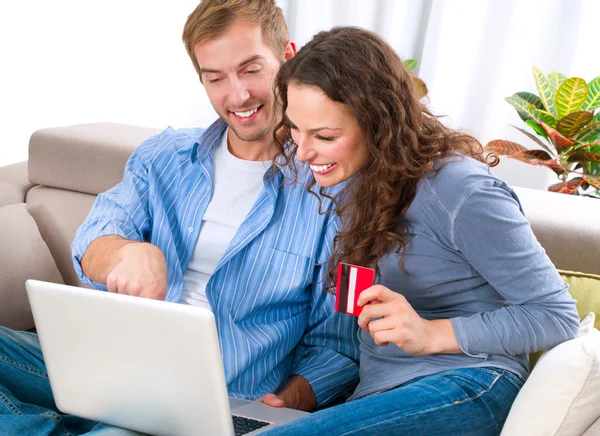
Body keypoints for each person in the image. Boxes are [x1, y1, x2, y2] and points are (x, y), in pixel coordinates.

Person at [0, 2, 360, 435]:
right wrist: (125, 252)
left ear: (288, 57)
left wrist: (288, 403)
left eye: (250, 70)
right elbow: (93, 240)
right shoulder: (163, 157)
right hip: (111, 367)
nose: (238, 95)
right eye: (216, 78)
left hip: (214, 401)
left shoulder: (335, 193)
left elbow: (340, 345)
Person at [263, 26, 580, 435]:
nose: (303, 152)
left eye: (324, 136)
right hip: (381, 393)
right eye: (294, 128)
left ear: (378, 123)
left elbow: (556, 316)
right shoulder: (354, 181)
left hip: (469, 384)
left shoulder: (461, 190)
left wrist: (431, 334)